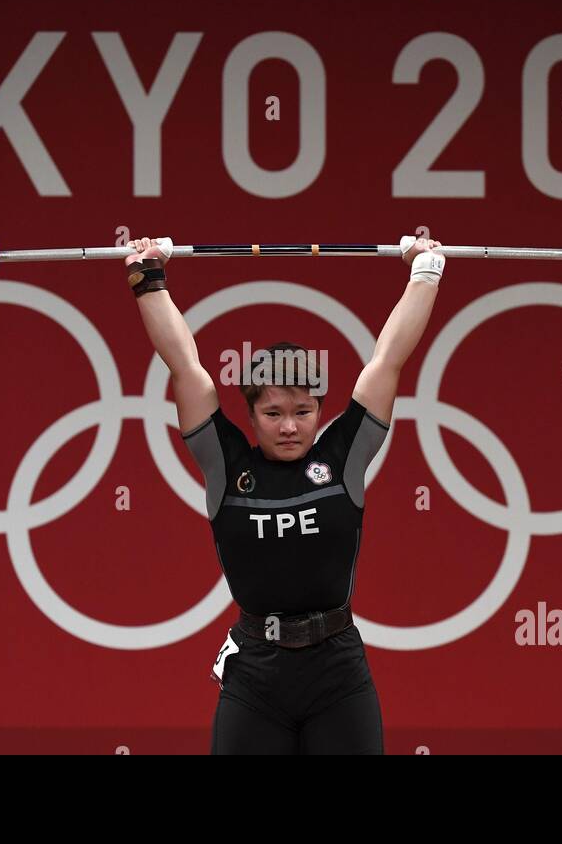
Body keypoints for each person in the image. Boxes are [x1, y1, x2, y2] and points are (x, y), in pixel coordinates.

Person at [126, 235, 447, 754]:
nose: (290, 427)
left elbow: (387, 361)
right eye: (273, 414)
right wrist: (148, 277)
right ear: (250, 416)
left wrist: (425, 272)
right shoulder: (225, 465)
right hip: (256, 676)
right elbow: (185, 366)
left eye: (303, 411)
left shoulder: (345, 457)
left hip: (337, 674)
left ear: (321, 410)